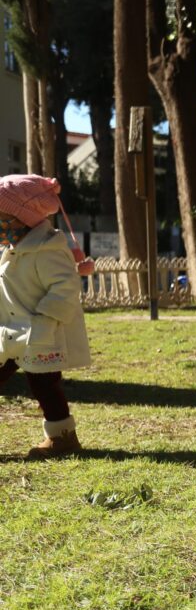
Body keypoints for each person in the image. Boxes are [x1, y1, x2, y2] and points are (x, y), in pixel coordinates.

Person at [0, 175, 91, 459]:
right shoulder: (11, 249)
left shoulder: (47, 251)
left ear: (20, 218)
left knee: (45, 385)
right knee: (43, 384)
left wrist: (45, 321)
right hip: (11, 331)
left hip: (40, 333)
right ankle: (63, 436)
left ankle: (62, 437)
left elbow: (65, 288)